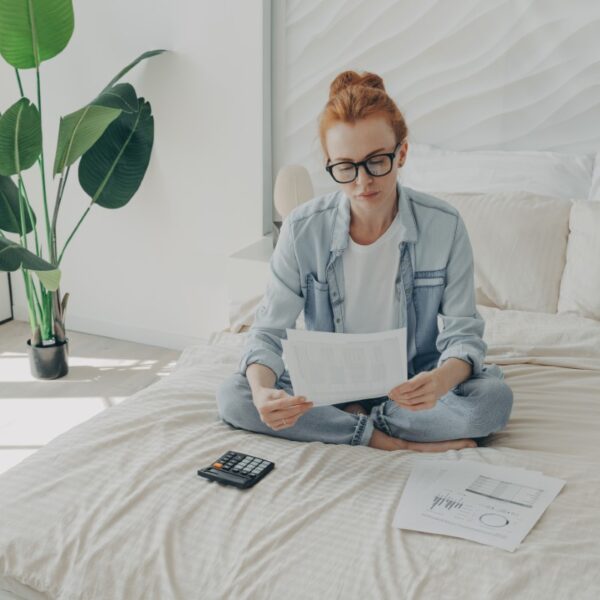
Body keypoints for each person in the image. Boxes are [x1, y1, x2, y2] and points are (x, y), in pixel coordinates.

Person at [216, 70, 513, 452]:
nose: (362, 182)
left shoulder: (445, 225)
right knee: (236, 396)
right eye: (345, 166)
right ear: (329, 163)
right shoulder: (302, 229)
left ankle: (351, 422)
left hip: (410, 385)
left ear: (401, 153)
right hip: (324, 384)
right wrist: (262, 393)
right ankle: (383, 439)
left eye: (376, 162)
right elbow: (268, 333)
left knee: (491, 403)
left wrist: (439, 383)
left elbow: (463, 335)